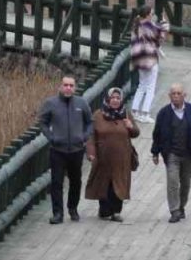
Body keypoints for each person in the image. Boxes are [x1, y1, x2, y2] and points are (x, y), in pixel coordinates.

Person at [39, 75, 93, 224]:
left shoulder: (81, 104)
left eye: (71, 85)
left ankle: (73, 208)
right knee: (56, 182)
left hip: (76, 149)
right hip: (57, 150)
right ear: (60, 87)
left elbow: (90, 123)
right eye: (65, 85)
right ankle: (58, 213)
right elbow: (42, 122)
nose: (68, 88)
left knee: (76, 181)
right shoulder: (51, 103)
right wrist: (51, 137)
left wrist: (84, 136)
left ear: (75, 87)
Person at [150, 83, 191, 224]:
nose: (176, 96)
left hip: (189, 153)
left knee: (185, 182)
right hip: (172, 153)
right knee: (173, 182)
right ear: (169, 96)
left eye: (179, 93)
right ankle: (174, 210)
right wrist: (155, 152)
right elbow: (157, 134)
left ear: (184, 95)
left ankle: (181, 206)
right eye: (173, 93)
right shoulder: (164, 113)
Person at [84, 86, 140, 222]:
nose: (115, 100)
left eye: (118, 98)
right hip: (103, 158)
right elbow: (91, 136)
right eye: (113, 98)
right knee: (104, 184)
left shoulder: (125, 114)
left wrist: (130, 126)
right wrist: (91, 153)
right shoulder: (98, 115)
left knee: (119, 184)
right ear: (107, 99)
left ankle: (116, 212)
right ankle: (104, 211)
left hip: (122, 158)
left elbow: (135, 133)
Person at [129, 4, 170, 123]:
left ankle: (135, 111)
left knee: (142, 85)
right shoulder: (149, 26)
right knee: (150, 87)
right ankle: (145, 113)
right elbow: (161, 36)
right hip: (149, 58)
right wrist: (164, 23)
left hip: (139, 58)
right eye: (151, 14)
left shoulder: (136, 26)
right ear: (147, 15)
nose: (152, 16)